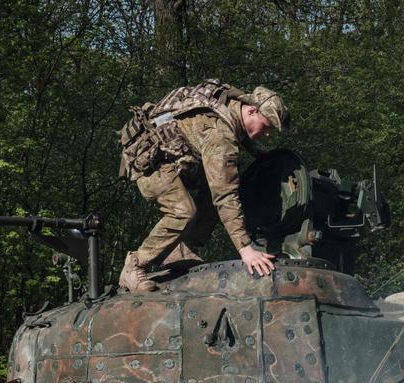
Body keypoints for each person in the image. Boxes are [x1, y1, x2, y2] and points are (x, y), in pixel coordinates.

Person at [116, 80, 288, 292]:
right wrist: (245, 249)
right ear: (252, 111)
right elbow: (225, 196)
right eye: (267, 126)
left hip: (170, 156)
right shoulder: (220, 136)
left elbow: (238, 134)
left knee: (210, 192)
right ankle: (134, 265)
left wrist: (260, 154)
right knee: (182, 211)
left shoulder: (233, 105)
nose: (268, 133)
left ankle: (182, 249)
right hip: (150, 163)